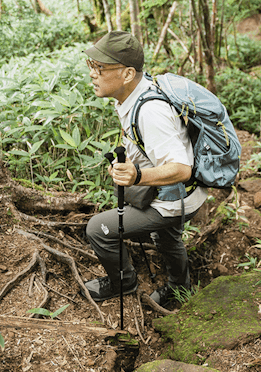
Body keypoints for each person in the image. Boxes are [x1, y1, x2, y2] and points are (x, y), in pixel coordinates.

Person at [82, 30, 208, 310]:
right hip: (180, 194)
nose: (93, 74)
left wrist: (138, 176)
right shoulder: (133, 94)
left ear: (127, 74)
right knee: (166, 236)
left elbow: (182, 168)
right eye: (92, 66)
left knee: (98, 229)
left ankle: (123, 282)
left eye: (100, 68)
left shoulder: (150, 111)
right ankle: (179, 286)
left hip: (176, 199)